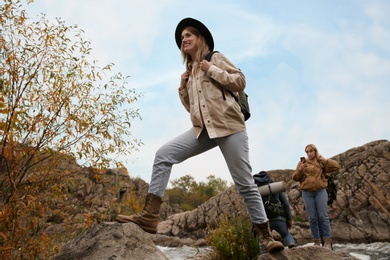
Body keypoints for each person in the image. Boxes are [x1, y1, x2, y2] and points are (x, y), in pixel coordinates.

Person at [115, 17, 284, 253]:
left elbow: (240, 82)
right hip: (203, 131)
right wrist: (183, 89)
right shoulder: (190, 72)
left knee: (244, 183)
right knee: (163, 154)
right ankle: (149, 216)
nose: (183, 39)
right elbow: (193, 110)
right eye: (181, 38)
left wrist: (211, 69)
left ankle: (266, 236)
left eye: (188, 36)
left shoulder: (215, 58)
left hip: (229, 127)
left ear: (199, 38)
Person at [292, 144, 340, 250]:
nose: (309, 153)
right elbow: (295, 177)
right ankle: (317, 242)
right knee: (313, 218)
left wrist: (325, 159)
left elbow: (336, 166)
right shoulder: (302, 163)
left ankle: (327, 242)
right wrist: (300, 169)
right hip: (307, 193)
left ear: (315, 151)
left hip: (320, 191)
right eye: (307, 152)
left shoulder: (320, 161)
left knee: (323, 216)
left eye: (311, 151)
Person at [253, 171, 296, 248]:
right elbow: (286, 204)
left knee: (264, 240)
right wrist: (289, 219)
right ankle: (292, 246)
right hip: (279, 218)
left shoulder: (256, 192)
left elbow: (254, 210)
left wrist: (254, 225)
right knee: (286, 234)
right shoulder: (275, 187)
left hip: (265, 221)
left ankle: (263, 256)